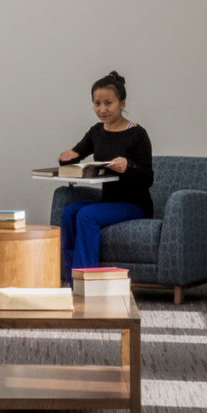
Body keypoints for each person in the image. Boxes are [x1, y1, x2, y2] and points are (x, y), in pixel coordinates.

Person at [55, 70, 155, 283]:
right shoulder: (97, 132)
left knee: (87, 215)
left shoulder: (138, 134)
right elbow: (77, 154)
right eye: (97, 103)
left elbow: (147, 178)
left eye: (108, 103)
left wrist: (128, 166)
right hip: (108, 202)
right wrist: (67, 158)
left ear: (122, 103)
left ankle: (87, 282)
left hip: (135, 204)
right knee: (70, 211)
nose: (102, 109)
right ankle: (70, 280)